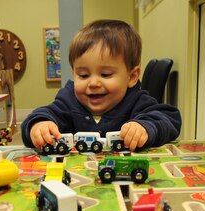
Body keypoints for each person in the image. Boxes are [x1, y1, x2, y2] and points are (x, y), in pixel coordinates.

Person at [21, 19, 181, 152]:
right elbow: (44, 113)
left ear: (131, 77)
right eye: (83, 75)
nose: (94, 83)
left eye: (105, 75)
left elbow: (170, 118)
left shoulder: (136, 100)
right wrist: (39, 125)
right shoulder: (69, 99)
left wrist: (145, 127)